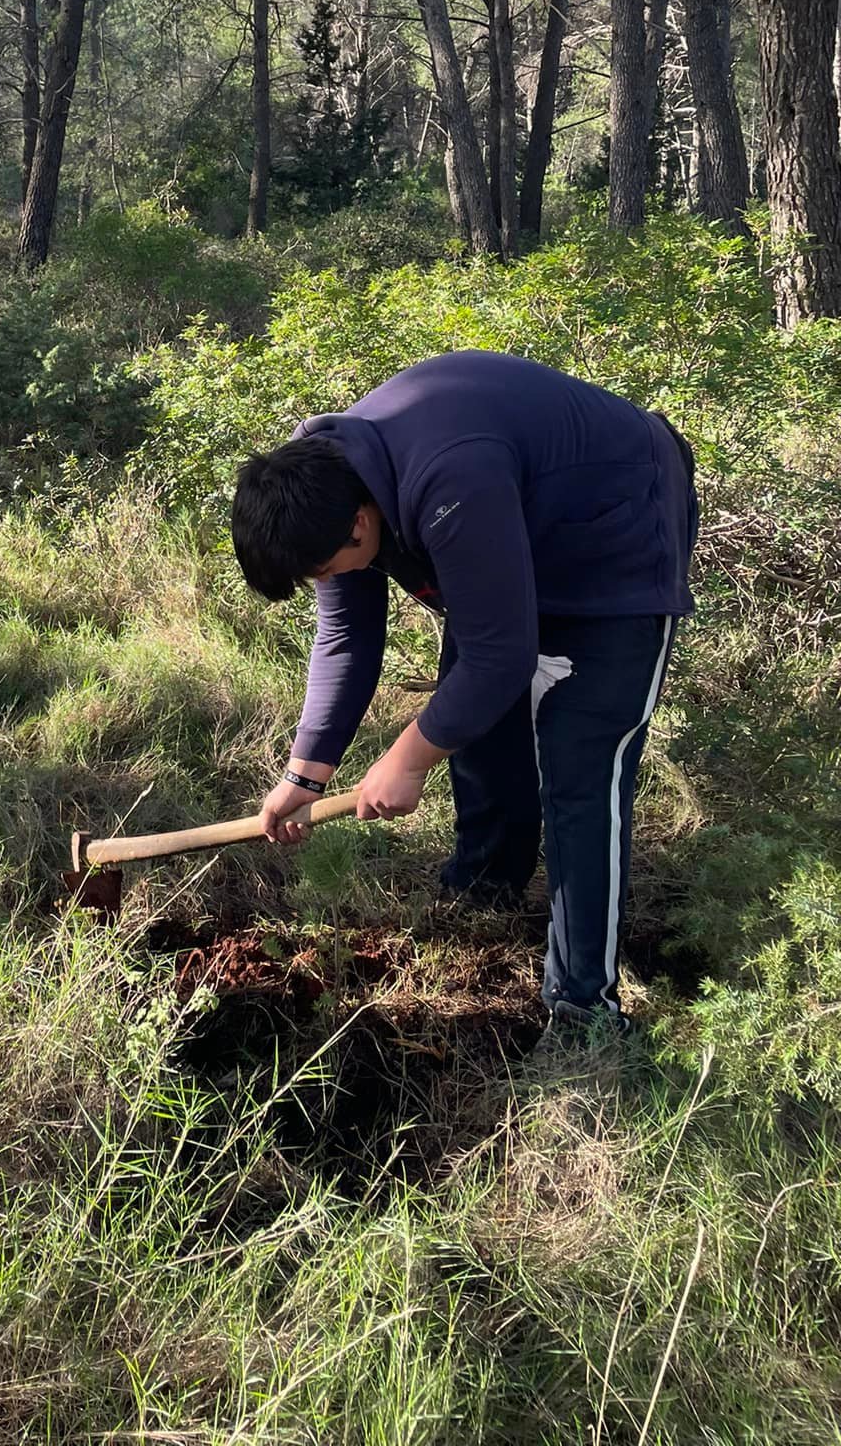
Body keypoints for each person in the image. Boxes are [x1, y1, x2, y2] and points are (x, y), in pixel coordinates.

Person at [230, 350, 698, 1032]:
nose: (322, 581)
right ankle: (486, 889)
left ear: (362, 525)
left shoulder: (449, 476)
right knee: (480, 737)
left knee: (581, 773)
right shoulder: (326, 478)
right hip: (514, 535)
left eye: (323, 569)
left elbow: (499, 655)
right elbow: (347, 639)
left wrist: (410, 758)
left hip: (617, 538)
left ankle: (582, 1009)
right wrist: (305, 773)